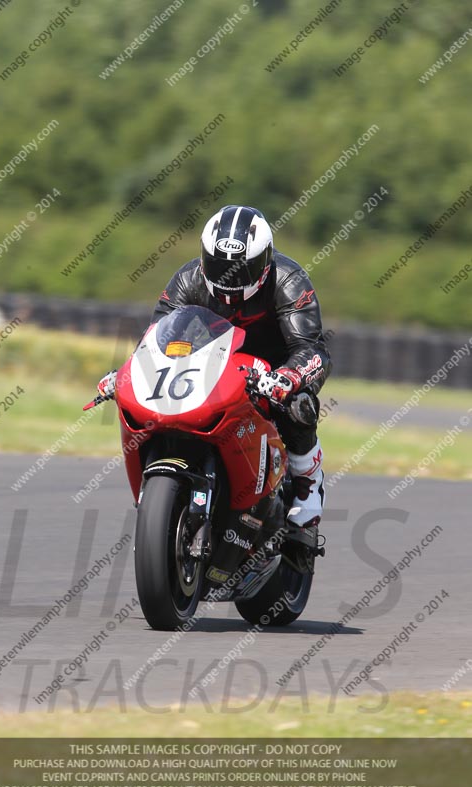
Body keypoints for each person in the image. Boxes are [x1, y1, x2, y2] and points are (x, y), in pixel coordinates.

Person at [97, 205, 331, 550]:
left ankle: (308, 490)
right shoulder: (187, 279)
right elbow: (155, 339)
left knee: (299, 406)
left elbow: (311, 348)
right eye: (219, 265)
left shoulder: (290, 281)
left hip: (274, 363)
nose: (230, 277)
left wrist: (288, 377)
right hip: (214, 362)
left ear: (264, 260)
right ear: (205, 257)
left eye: (242, 268)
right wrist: (128, 375)